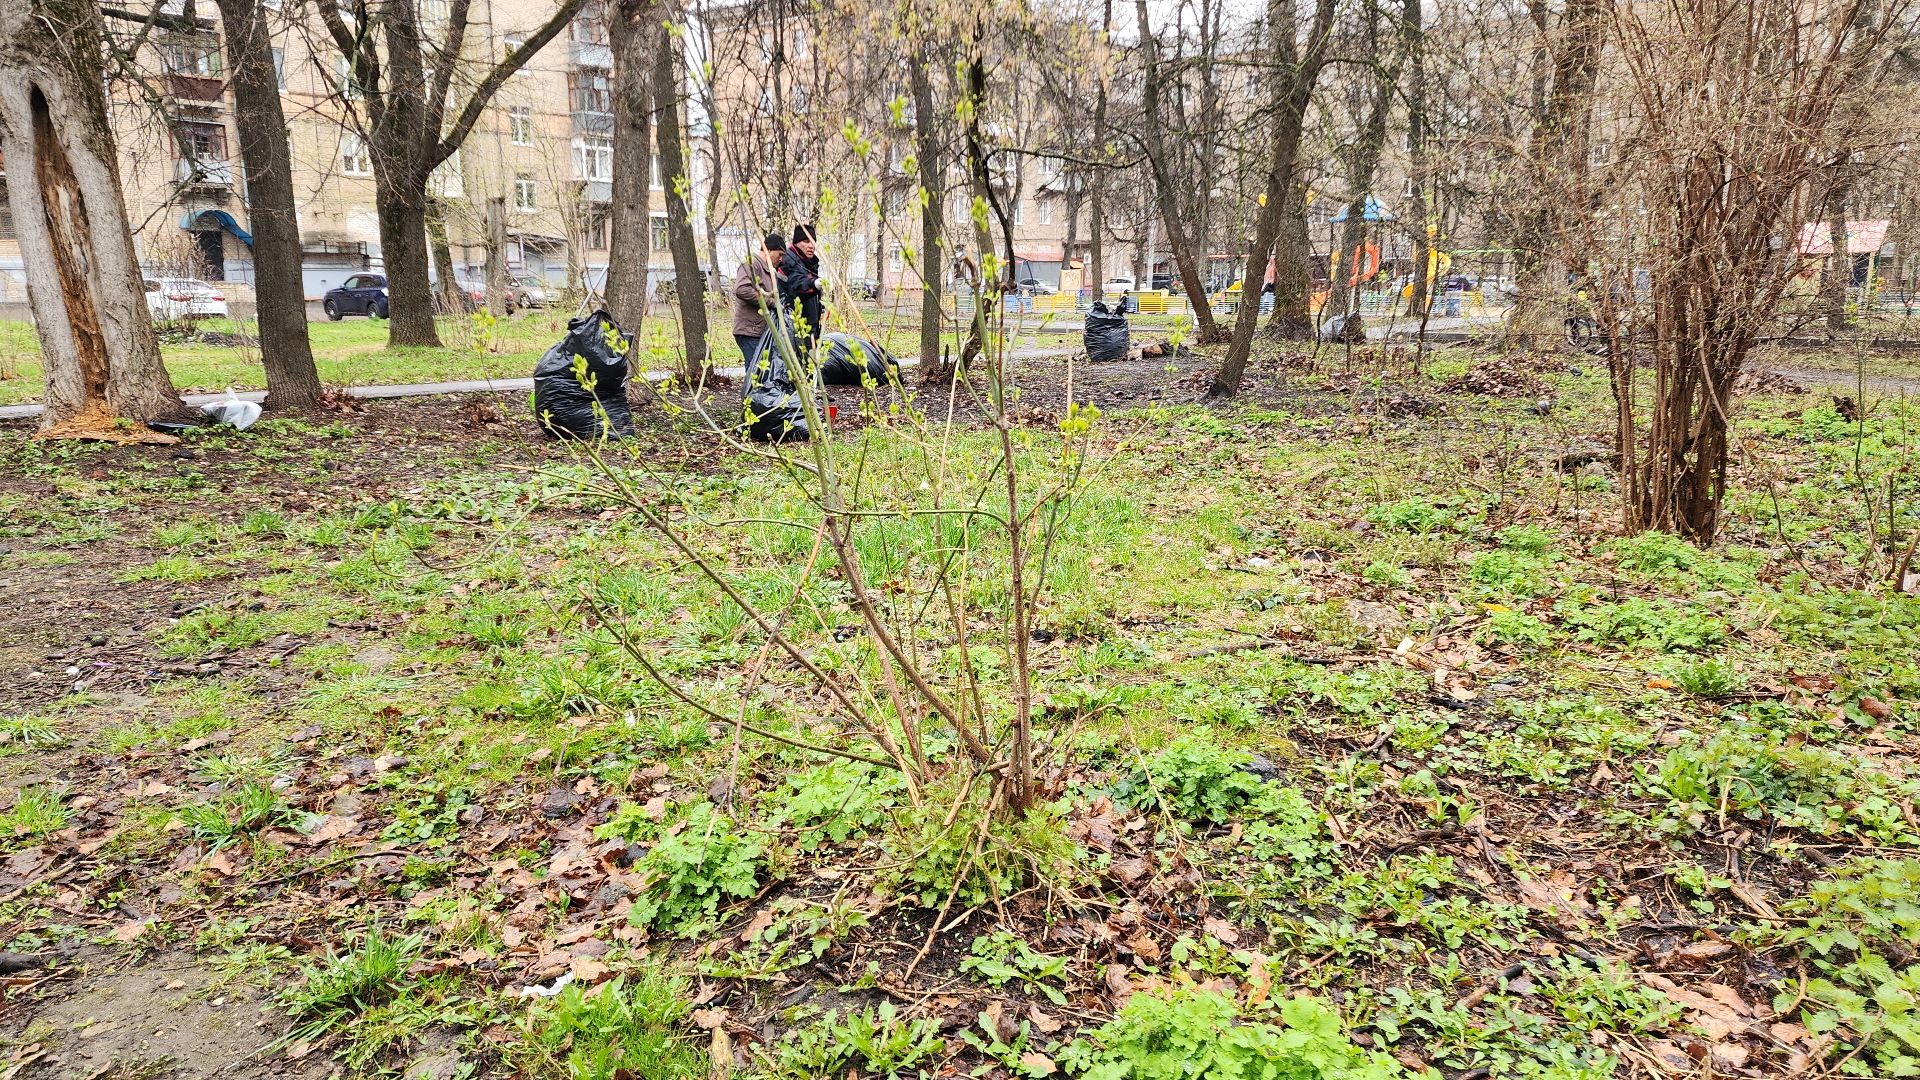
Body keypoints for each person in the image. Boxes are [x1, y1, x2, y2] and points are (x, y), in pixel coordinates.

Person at [732, 232, 786, 369]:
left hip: (757, 331)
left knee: (757, 373)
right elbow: (742, 289)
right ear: (769, 250)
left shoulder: (767, 270)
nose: (781, 259)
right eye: (780, 254)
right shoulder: (752, 263)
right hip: (749, 330)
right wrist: (772, 303)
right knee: (756, 374)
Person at [778, 223, 825, 357]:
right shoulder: (790, 261)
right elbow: (796, 284)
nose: (811, 245)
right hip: (796, 330)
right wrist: (813, 284)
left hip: (810, 328)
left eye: (813, 241)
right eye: (806, 241)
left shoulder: (808, 263)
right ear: (797, 243)